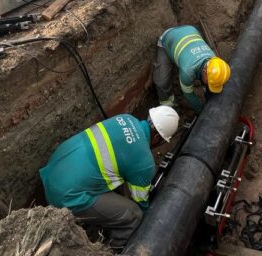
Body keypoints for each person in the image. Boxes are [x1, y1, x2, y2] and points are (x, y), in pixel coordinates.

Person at [39, 106, 179, 251]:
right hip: (65, 198)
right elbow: (141, 202)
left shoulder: (125, 118)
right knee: (134, 215)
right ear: (157, 138)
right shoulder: (144, 162)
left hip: (54, 169)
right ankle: (111, 250)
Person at [153, 25, 231, 113]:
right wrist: (200, 110)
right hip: (168, 39)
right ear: (205, 72)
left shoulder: (214, 61)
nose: (210, 85)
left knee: (207, 81)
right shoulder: (188, 71)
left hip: (190, 30)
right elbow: (188, 94)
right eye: (210, 83)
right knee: (162, 82)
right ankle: (169, 107)